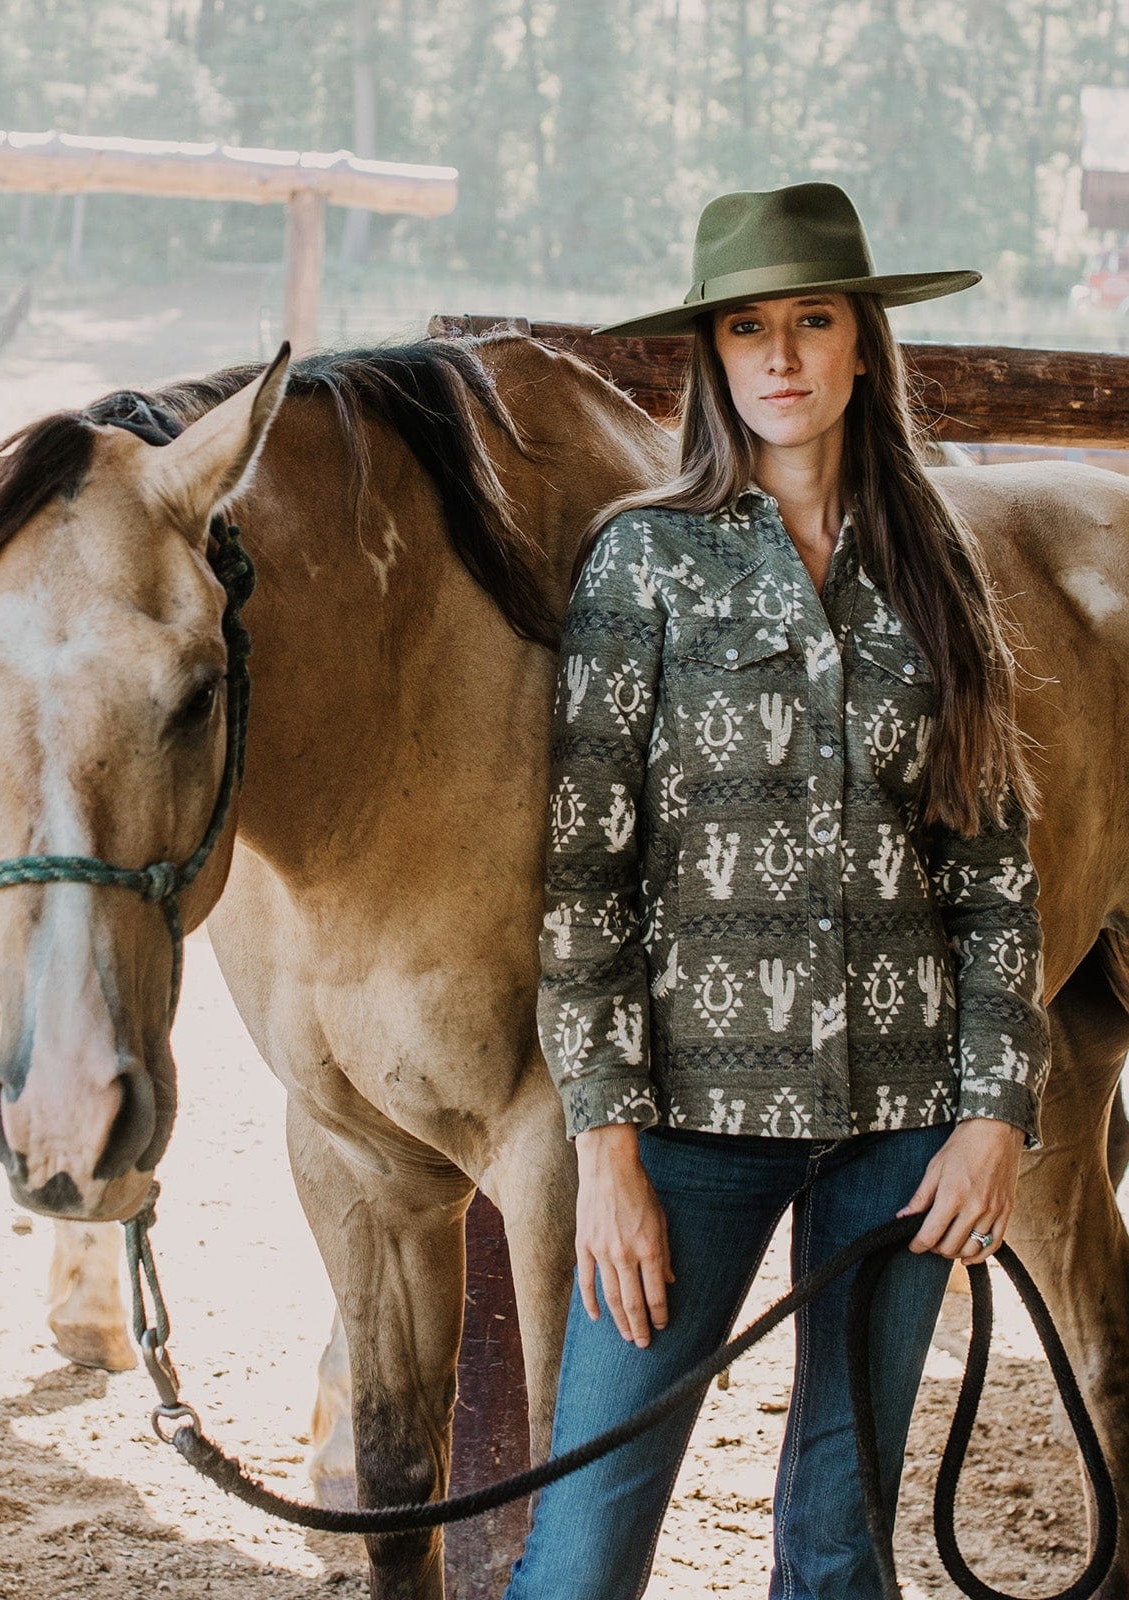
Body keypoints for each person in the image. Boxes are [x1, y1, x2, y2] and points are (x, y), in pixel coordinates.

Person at [503, 181, 1050, 1600]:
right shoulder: (645, 563)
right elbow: (582, 877)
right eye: (749, 328)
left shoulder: (939, 567)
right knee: (581, 1550)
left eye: (814, 322)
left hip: (901, 1131)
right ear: (714, 356)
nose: (783, 357)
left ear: (864, 343)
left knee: (840, 1544)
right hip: (686, 1127)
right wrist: (606, 1147)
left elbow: (990, 868)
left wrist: (993, 1110)